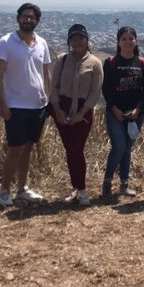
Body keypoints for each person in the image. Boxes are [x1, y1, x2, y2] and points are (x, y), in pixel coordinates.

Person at [0, 2, 53, 208]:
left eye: (32, 17)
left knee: (28, 148)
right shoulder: (6, 42)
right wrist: (3, 104)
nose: (28, 20)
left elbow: (46, 73)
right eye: (25, 16)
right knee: (15, 149)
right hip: (16, 105)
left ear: (37, 21)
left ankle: (22, 188)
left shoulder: (42, 43)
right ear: (18, 18)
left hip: (37, 105)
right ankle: (4, 191)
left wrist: (48, 99)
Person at [50, 24, 104, 205]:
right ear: (69, 41)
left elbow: (95, 92)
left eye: (81, 38)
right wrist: (57, 110)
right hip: (62, 107)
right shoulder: (62, 60)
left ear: (87, 40)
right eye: (73, 38)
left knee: (77, 149)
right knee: (69, 149)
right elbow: (53, 86)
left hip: (84, 110)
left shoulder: (95, 63)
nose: (77, 42)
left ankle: (81, 189)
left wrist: (81, 114)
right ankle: (76, 188)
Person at [101, 26, 144, 198]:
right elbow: (106, 89)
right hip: (115, 112)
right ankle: (107, 182)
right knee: (119, 146)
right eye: (124, 39)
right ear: (118, 42)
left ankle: (124, 185)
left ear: (136, 41)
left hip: (135, 114)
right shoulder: (111, 62)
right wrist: (114, 108)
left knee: (127, 149)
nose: (128, 42)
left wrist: (138, 109)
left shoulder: (142, 63)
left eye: (131, 38)